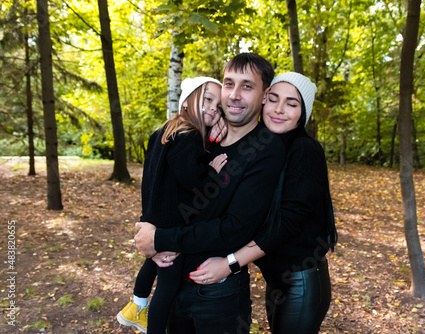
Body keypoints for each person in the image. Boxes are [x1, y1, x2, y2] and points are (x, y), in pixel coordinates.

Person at [134, 53, 287, 334]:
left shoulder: (266, 150)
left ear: (264, 95)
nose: (234, 95)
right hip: (172, 279)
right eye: (229, 84)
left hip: (216, 294)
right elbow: (164, 189)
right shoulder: (202, 138)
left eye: (247, 86)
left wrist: (159, 239)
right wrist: (149, 231)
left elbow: (235, 228)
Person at [189, 72, 338, 334]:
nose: (279, 110)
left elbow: (286, 224)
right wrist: (220, 121)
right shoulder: (265, 145)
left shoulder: (304, 149)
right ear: (263, 101)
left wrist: (230, 263)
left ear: (303, 113)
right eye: (273, 99)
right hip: (276, 279)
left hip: (301, 281)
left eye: (292, 104)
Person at [117, 77, 228, 333]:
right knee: (167, 287)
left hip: (155, 217)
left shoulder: (165, 132)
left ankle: (136, 303)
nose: (214, 108)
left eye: (219, 106)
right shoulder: (189, 136)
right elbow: (191, 179)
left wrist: (148, 218)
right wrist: (211, 173)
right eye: (208, 99)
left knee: (153, 263)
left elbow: (151, 178)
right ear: (188, 100)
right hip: (172, 223)